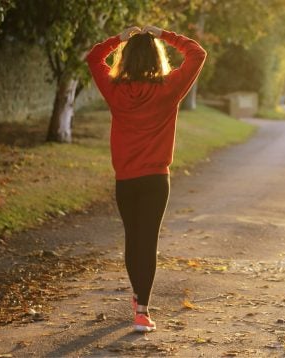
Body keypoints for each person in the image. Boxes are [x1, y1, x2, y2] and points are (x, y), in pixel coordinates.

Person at [86, 25, 206, 332]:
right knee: (147, 241)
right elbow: (197, 53)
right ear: (157, 58)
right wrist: (164, 34)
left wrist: (119, 39)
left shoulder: (114, 90)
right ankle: (142, 310)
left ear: (125, 59)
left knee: (133, 239)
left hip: (126, 180)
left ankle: (138, 298)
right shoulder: (169, 88)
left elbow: (94, 57)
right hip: (155, 180)